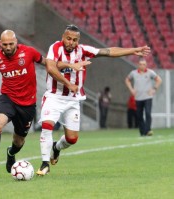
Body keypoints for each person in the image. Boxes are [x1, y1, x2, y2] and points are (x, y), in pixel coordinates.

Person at [0, 30, 85, 178]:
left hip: (27, 104)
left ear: (16, 42)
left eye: (11, 44)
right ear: (0, 44)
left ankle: (11, 153)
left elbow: (48, 64)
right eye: (5, 44)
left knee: (19, 141)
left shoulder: (29, 52)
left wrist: (69, 66)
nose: (8, 47)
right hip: (8, 99)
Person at [36, 24, 151, 176]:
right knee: (47, 125)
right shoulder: (55, 48)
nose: (71, 42)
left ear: (78, 40)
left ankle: (56, 148)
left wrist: (133, 50)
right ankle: (44, 164)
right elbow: (51, 68)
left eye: (75, 40)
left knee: (72, 139)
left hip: (73, 100)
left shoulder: (83, 50)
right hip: (54, 96)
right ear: (63, 37)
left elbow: (109, 51)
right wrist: (69, 81)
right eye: (68, 38)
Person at [125, 58, 162, 136]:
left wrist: (154, 89)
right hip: (138, 98)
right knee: (139, 115)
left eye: (144, 64)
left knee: (148, 113)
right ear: (138, 65)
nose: (142, 66)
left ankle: (148, 130)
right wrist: (131, 89)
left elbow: (159, 80)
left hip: (148, 97)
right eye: (141, 64)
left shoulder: (150, 72)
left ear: (146, 65)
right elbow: (127, 80)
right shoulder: (133, 73)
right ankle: (142, 132)